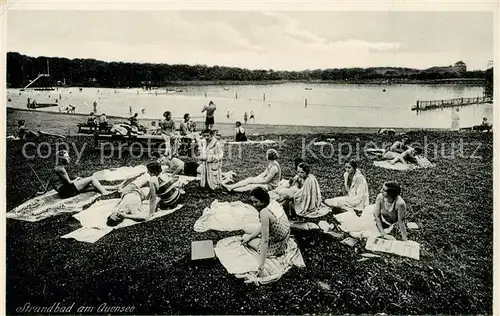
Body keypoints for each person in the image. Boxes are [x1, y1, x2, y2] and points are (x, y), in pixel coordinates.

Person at [241, 187, 291, 275]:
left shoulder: (264, 212)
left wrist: (261, 267)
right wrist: (251, 236)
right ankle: (252, 236)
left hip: (277, 244)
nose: (254, 204)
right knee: (246, 228)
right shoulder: (273, 203)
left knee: (244, 237)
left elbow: (265, 241)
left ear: (263, 201)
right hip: (282, 234)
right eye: (253, 202)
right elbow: (264, 226)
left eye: (256, 202)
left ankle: (251, 238)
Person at [106, 162, 162, 227]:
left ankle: (154, 171)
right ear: (121, 219)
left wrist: (120, 201)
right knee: (153, 183)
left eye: (114, 214)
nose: (117, 214)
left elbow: (118, 203)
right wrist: (126, 216)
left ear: (112, 214)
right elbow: (143, 218)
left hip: (128, 191)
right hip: (140, 193)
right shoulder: (132, 211)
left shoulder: (115, 209)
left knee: (145, 178)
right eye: (118, 217)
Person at [49, 150, 114, 199]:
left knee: (93, 186)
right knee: (92, 178)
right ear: (61, 159)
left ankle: (114, 188)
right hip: (66, 191)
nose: (69, 158)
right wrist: (77, 179)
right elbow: (69, 183)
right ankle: (105, 193)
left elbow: (51, 181)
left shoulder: (57, 167)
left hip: (63, 192)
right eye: (67, 157)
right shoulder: (60, 169)